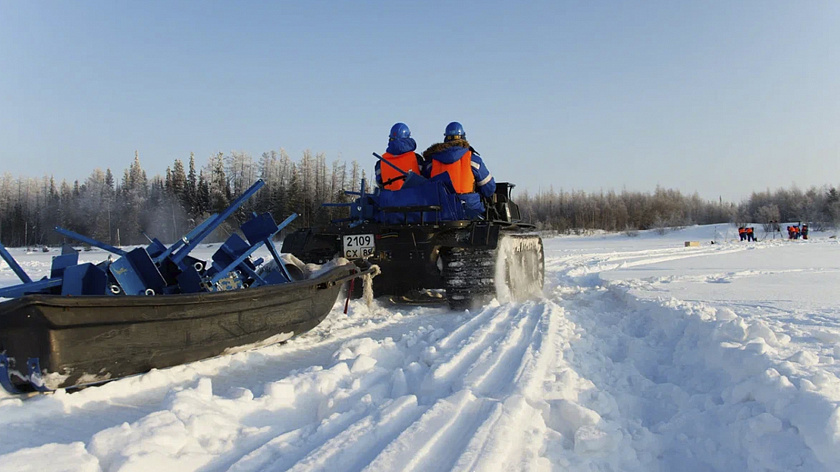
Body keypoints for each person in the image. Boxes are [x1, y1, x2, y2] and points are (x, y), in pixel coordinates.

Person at [422, 122, 496, 215]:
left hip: (440, 211)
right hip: (470, 209)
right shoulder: (473, 159)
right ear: (463, 137)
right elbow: (489, 188)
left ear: (445, 138)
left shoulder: (432, 161)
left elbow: (423, 183)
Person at [375, 123, 425, 190]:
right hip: (414, 198)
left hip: (390, 199)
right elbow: (425, 178)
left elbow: (379, 183)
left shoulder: (381, 162)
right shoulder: (416, 158)